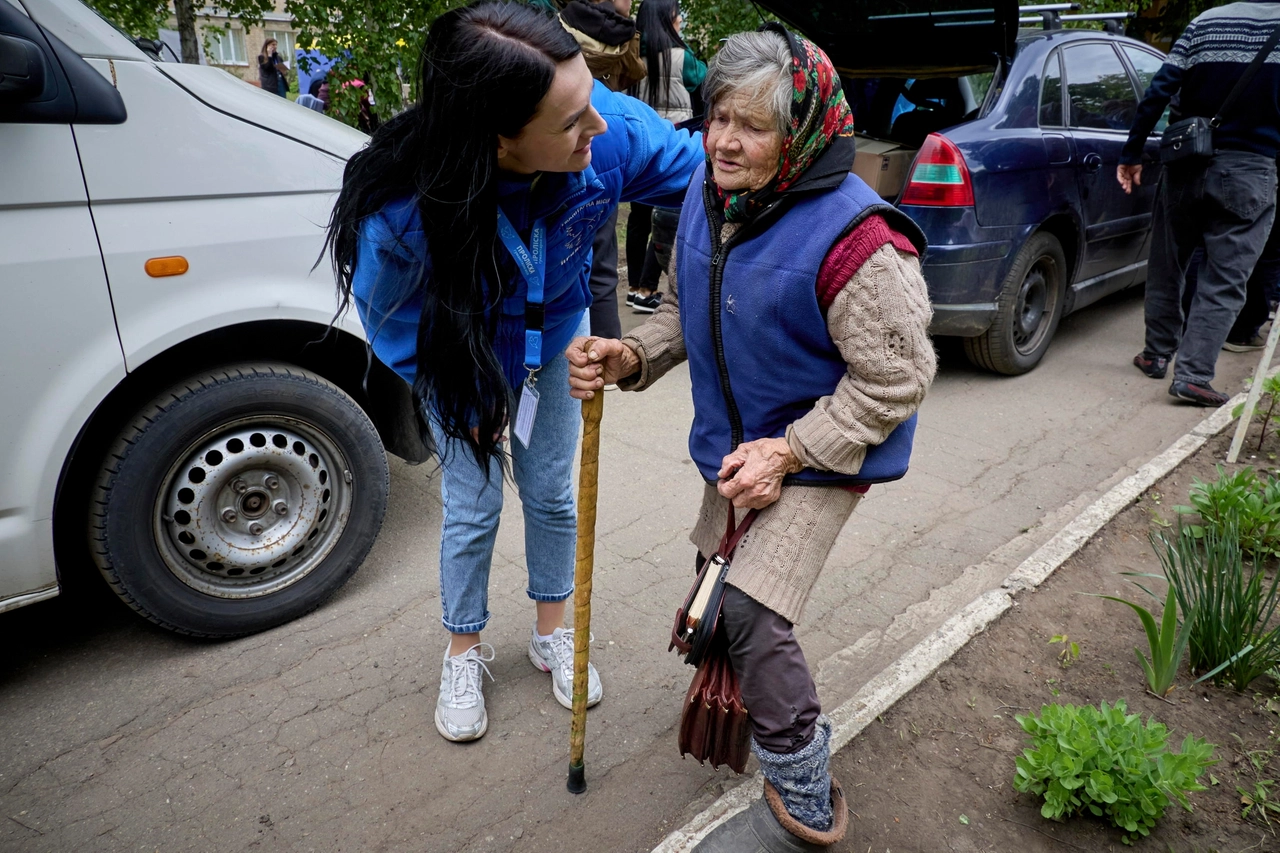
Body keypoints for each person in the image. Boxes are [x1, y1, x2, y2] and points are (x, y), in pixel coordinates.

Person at [568, 26, 935, 850]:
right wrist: (630, 353)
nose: (724, 140)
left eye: (752, 125)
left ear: (800, 131)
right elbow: (675, 311)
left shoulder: (861, 242)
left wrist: (791, 451)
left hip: (819, 450)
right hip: (735, 449)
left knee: (749, 606)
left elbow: (897, 380)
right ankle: (737, 709)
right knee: (717, 583)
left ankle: (806, 788)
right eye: (718, 116)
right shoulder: (708, 191)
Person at [326, 0, 701, 744]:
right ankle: (463, 649)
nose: (597, 128)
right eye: (571, 122)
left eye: (589, 102)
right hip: (456, 358)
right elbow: (391, 318)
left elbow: (713, 176)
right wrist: (456, 393)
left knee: (551, 494)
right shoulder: (401, 208)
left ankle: (551, 632)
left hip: (555, 346)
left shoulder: (608, 134)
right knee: (474, 505)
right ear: (498, 141)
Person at [1120, 0, 1280, 406]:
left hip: (1185, 163)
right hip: (1251, 170)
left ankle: (1156, 355)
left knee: (1167, 262)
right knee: (1225, 278)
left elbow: (1159, 90)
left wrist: (1132, 152)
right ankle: (1192, 376)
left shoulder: (1205, 21)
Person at [549, 0, 648, 339]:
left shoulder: (627, 31)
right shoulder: (545, 24)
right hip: (578, 157)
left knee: (598, 256)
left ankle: (601, 351)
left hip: (608, 153)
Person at [626, 0, 707, 314]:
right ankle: (660, 289)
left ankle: (636, 288)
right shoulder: (682, 58)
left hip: (637, 147)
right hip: (672, 148)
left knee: (638, 219)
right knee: (670, 216)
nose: (681, 20)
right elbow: (707, 83)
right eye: (678, 14)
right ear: (668, 18)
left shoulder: (631, 58)